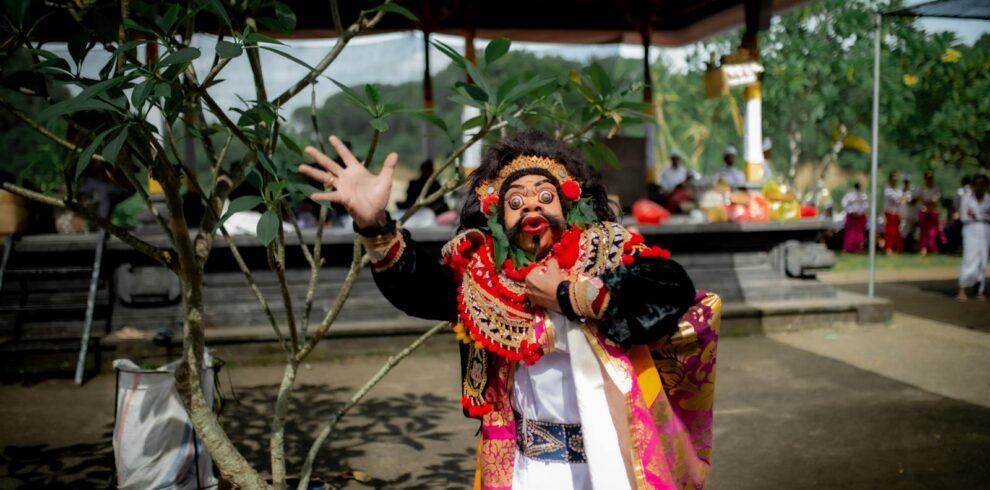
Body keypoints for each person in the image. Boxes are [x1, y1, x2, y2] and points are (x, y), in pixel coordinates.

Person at [299, 131, 720, 489]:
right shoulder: (483, 279)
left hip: (611, 459)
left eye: (544, 196)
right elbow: (419, 288)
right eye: (515, 202)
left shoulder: (608, 251)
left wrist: (564, 293)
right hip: (525, 468)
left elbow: (670, 287)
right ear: (498, 218)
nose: (531, 207)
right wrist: (375, 225)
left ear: (569, 203)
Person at [956, 174, 990, 301]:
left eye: (982, 185)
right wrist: (978, 217)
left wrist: (978, 216)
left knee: (982, 259)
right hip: (970, 230)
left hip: (985, 230)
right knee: (969, 258)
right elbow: (964, 217)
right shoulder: (967, 198)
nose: (979, 187)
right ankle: (962, 288)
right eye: (977, 184)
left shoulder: (989, 199)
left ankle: (978, 289)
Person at [917, 170, 944, 256]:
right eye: (928, 177)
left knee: (932, 232)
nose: (929, 179)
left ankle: (933, 248)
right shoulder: (921, 189)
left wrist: (929, 204)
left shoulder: (936, 188)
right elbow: (921, 200)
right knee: (923, 232)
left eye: (931, 177)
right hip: (924, 212)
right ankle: (923, 248)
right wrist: (928, 203)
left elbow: (935, 201)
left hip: (933, 212)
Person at [841, 182, 868, 253]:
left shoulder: (863, 196)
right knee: (850, 233)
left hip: (860, 217)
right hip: (851, 216)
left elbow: (865, 205)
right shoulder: (850, 195)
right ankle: (848, 247)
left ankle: (857, 248)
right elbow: (845, 203)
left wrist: (859, 213)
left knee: (859, 234)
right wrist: (851, 211)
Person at [883, 172, 904, 254]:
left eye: (895, 179)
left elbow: (902, 198)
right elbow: (896, 199)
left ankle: (897, 247)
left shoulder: (898, 189)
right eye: (893, 179)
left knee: (896, 231)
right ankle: (889, 248)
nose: (894, 181)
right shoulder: (888, 190)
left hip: (897, 212)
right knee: (890, 231)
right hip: (890, 212)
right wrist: (902, 199)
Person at [899, 175, 918, 251]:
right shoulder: (900, 190)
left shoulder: (912, 189)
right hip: (903, 213)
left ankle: (910, 247)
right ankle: (904, 247)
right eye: (905, 181)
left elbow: (914, 200)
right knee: (903, 231)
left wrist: (906, 201)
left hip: (911, 213)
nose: (906, 183)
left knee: (911, 232)